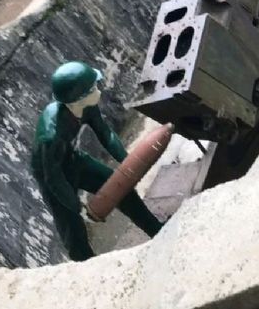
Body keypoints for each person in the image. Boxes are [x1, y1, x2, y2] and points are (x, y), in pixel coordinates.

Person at [31, 61, 163, 261]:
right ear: (77, 98)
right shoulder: (51, 134)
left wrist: (128, 162)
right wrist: (78, 207)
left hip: (73, 159)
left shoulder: (87, 106)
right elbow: (53, 177)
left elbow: (105, 133)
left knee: (122, 190)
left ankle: (157, 230)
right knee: (73, 230)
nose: (98, 90)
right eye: (93, 88)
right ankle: (88, 267)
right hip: (52, 174)